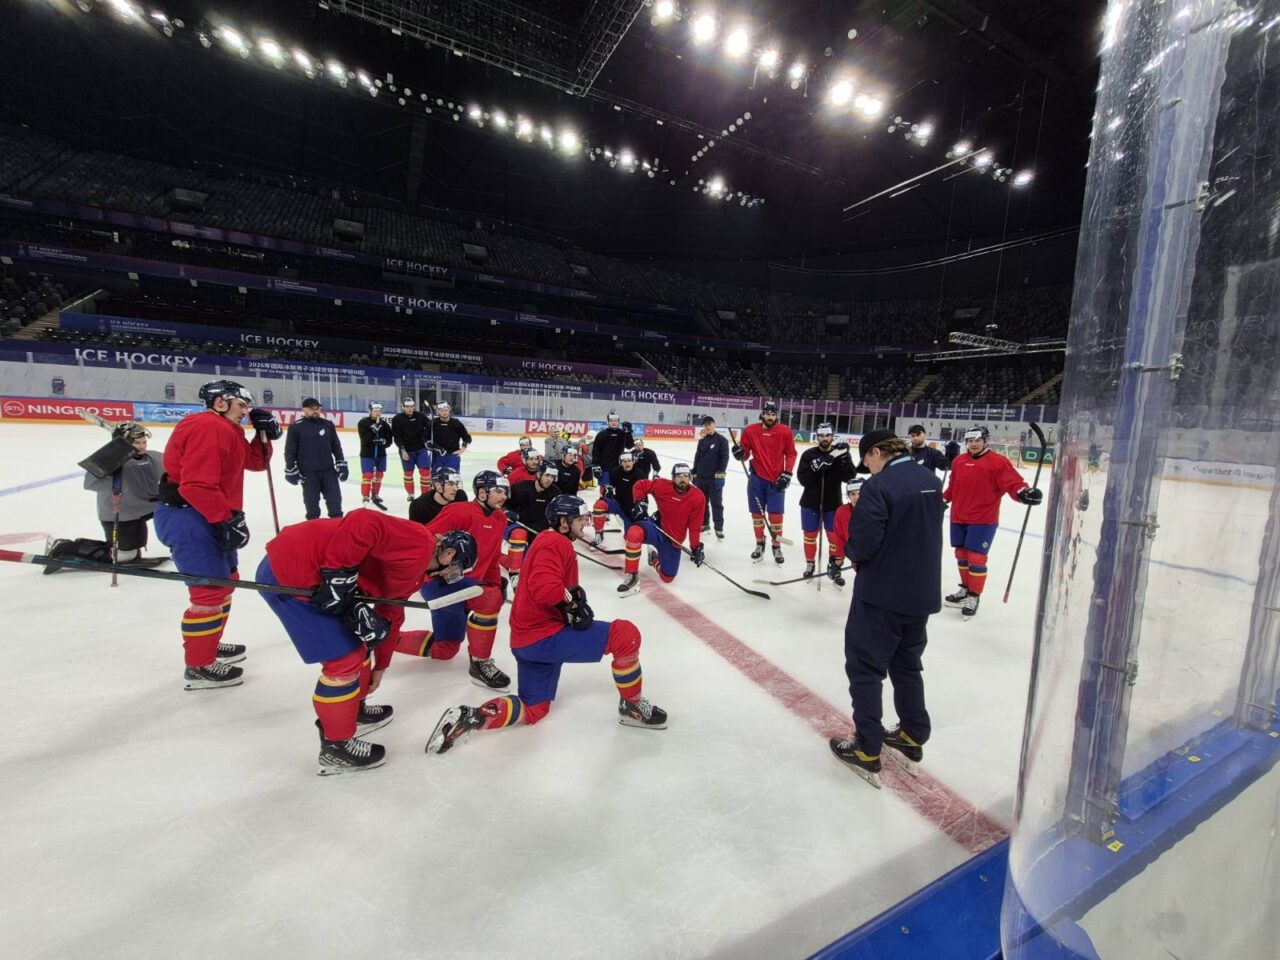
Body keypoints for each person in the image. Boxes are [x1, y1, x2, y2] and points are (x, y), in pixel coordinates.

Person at [426, 495, 668, 755]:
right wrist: (572, 604)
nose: (585, 524)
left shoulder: (547, 540)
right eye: (580, 519)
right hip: (544, 637)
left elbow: (548, 585)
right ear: (564, 522)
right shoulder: (554, 542)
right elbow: (545, 588)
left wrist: (571, 597)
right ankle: (631, 706)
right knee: (625, 634)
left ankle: (471, 717)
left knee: (534, 708)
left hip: (526, 642)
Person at [258, 510, 476, 774]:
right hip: (290, 571)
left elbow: (391, 614)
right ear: (449, 555)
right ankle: (335, 747)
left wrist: (381, 667)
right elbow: (364, 521)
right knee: (344, 661)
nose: (452, 575)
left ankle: (353, 709)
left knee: (360, 646)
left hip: (314, 580)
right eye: (457, 568)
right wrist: (339, 573)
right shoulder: (419, 541)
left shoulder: (418, 572)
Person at [829, 429, 944, 789]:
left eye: (867, 459)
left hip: (881, 595)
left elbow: (862, 544)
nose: (867, 466)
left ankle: (866, 747)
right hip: (919, 594)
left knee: (865, 668)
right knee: (907, 664)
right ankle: (912, 734)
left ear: (879, 451)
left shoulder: (880, 486)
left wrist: (850, 554)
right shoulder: (929, 479)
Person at [153, 380, 278, 690]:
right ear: (220, 402)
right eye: (242, 406)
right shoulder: (208, 427)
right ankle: (199, 665)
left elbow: (256, 463)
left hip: (208, 514)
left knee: (225, 582)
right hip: (191, 517)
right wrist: (225, 519)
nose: (246, 411)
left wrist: (264, 435)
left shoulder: (228, 430)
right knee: (208, 593)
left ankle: (208, 642)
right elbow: (195, 485)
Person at [394, 471, 513, 691]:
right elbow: (424, 541)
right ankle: (480, 664)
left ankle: (384, 638)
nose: (503, 496)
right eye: (498, 491)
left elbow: (493, 556)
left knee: (445, 650)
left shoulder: (499, 518)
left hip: (468, 586)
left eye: (505, 491)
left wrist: (495, 582)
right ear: (481, 492)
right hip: (440, 584)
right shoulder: (459, 512)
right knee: (488, 598)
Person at [942, 425, 1043, 618]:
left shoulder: (998, 462)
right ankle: (965, 588)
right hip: (958, 516)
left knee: (976, 558)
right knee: (961, 555)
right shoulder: (959, 461)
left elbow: (1013, 483)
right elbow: (953, 486)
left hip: (983, 519)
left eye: (977, 440)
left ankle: (974, 595)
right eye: (970, 440)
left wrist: (1023, 493)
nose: (973, 444)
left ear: (986, 441)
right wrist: (943, 499)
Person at [47, 421, 166, 572]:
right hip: (121, 512)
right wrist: (111, 462)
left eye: (144, 442)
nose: (142, 446)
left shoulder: (154, 457)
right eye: (137, 443)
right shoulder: (110, 461)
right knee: (124, 555)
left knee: (133, 549)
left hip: (143, 508)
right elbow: (90, 484)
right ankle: (66, 548)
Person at [616, 463, 706, 595]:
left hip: (673, 540)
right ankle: (632, 575)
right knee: (633, 533)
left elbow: (694, 527)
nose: (683, 479)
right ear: (673, 477)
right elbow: (640, 485)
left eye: (686, 476)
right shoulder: (662, 485)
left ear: (690, 477)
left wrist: (696, 547)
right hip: (655, 528)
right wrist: (640, 502)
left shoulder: (698, 497)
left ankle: (653, 558)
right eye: (679, 476)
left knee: (667, 577)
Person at [732, 401, 797, 564]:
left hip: (777, 481)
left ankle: (777, 546)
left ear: (776, 416)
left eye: (773, 414)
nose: (770, 417)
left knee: (776, 517)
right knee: (757, 515)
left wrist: (787, 474)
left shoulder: (785, 432)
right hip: (756, 479)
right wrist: (739, 452)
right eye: (767, 414)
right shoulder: (750, 431)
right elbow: (745, 454)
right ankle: (760, 543)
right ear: (763, 414)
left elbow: (791, 453)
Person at [796, 422, 856, 579]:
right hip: (810, 503)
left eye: (827, 435)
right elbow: (803, 480)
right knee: (809, 535)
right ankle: (810, 563)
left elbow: (849, 477)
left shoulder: (839, 453)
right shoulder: (808, 455)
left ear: (832, 436)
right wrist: (815, 468)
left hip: (833, 504)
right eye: (821, 435)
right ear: (817, 437)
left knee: (834, 537)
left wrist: (844, 458)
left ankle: (834, 565)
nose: (824, 438)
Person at [284, 398, 347, 521]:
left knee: (335, 504)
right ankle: (314, 533)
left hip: (328, 472)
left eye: (317, 408)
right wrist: (290, 467)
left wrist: (341, 463)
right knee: (312, 507)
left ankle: (337, 530)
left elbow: (336, 446)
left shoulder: (328, 425)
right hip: (308, 473)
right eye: (312, 408)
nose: (315, 411)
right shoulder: (295, 427)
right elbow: (290, 451)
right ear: (304, 409)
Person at [590, 448, 643, 546]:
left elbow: (643, 496)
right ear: (620, 462)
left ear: (633, 461)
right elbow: (610, 486)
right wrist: (608, 490)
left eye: (629, 461)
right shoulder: (615, 471)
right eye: (624, 461)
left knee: (630, 538)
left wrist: (641, 506)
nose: (627, 463)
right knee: (599, 505)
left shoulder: (640, 475)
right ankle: (599, 533)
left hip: (630, 510)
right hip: (617, 503)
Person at [692, 416, 729, 540]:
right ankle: (705, 524)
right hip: (701, 478)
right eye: (705, 425)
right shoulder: (701, 441)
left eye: (709, 424)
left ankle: (718, 528)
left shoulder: (722, 440)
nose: (707, 427)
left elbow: (724, 458)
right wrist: (694, 471)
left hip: (714, 479)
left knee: (716, 504)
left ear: (714, 424)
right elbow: (697, 457)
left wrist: (721, 472)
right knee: (702, 503)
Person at [825, 475, 866, 587]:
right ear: (848, 495)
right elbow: (840, 537)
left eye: (859, 493)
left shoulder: (872, 510)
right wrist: (838, 561)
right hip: (854, 551)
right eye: (853, 494)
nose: (856, 497)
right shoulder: (842, 512)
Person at [391, 397, 432, 501]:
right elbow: (397, 437)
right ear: (403, 407)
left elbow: (430, 427)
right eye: (407, 407)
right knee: (408, 474)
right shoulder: (397, 419)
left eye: (411, 406)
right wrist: (403, 450)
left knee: (425, 473)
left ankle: (425, 495)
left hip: (421, 449)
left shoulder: (420, 416)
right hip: (406, 451)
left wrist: (433, 422)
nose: (409, 409)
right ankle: (410, 493)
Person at [357, 401, 393, 510]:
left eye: (379, 411)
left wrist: (383, 441)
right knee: (367, 476)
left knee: (379, 475)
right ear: (370, 411)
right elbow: (364, 439)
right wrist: (373, 436)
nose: (377, 413)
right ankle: (366, 496)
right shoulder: (363, 423)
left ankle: (375, 494)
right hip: (367, 454)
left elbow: (389, 440)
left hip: (381, 454)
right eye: (375, 411)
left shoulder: (385, 424)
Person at [590, 411, 634, 486]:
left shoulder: (622, 433)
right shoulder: (601, 434)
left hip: (619, 468)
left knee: (619, 490)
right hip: (605, 468)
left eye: (616, 420)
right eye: (611, 420)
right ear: (608, 422)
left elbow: (629, 446)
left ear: (618, 421)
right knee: (605, 491)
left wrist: (628, 433)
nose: (614, 422)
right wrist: (596, 465)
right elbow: (596, 451)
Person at [429, 401, 471, 472]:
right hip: (437, 456)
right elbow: (425, 438)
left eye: (446, 410)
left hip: (452, 456)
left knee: (453, 479)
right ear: (438, 411)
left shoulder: (456, 422)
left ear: (449, 410)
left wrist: (462, 449)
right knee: (436, 479)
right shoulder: (433, 423)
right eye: (442, 411)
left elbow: (467, 438)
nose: (444, 412)